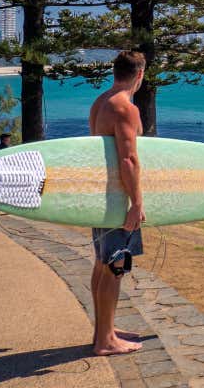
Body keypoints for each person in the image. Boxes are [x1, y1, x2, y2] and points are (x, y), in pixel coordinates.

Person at [87, 50, 148, 356]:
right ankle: (105, 341)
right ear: (139, 74)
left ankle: (104, 329)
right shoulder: (125, 107)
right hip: (117, 199)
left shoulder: (101, 102)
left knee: (102, 264)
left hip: (102, 196)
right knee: (115, 266)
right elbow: (128, 159)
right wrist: (136, 202)